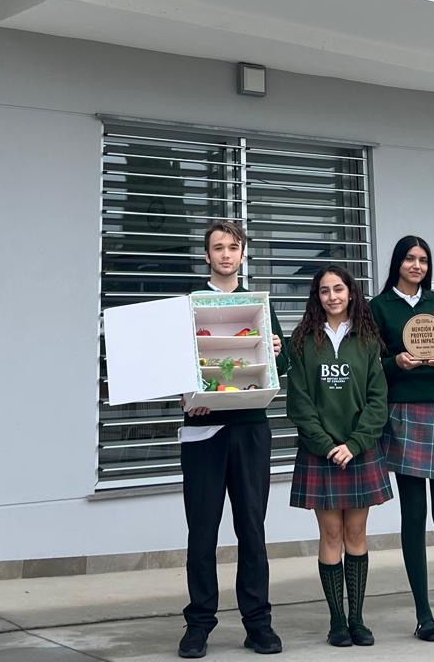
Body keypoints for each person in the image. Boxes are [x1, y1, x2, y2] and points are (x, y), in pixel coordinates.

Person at [178, 220, 289, 659]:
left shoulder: (259, 306)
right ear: (207, 255)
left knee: (252, 530)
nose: (226, 254)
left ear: (243, 254)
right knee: (202, 533)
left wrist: (278, 351)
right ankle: (199, 625)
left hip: (250, 429)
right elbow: (171, 365)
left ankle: (258, 624)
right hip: (203, 431)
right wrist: (189, 398)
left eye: (233, 247)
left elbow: (284, 367)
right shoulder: (188, 304)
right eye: (218, 247)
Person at [369, 236, 434, 641]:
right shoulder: (379, 308)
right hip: (403, 413)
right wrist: (395, 363)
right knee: (414, 515)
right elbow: (369, 365)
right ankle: (424, 614)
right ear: (397, 263)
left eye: (423, 260)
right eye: (410, 259)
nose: (417, 266)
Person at [285, 264, 391, 648]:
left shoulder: (367, 339)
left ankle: (358, 619)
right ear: (317, 297)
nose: (332, 296)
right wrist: (327, 445)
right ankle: (336, 622)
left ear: (351, 293)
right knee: (330, 535)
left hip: (359, 450)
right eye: (324, 291)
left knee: (356, 534)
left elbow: (379, 400)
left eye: (338, 289)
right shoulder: (302, 340)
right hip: (321, 452)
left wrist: (356, 443)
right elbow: (298, 402)